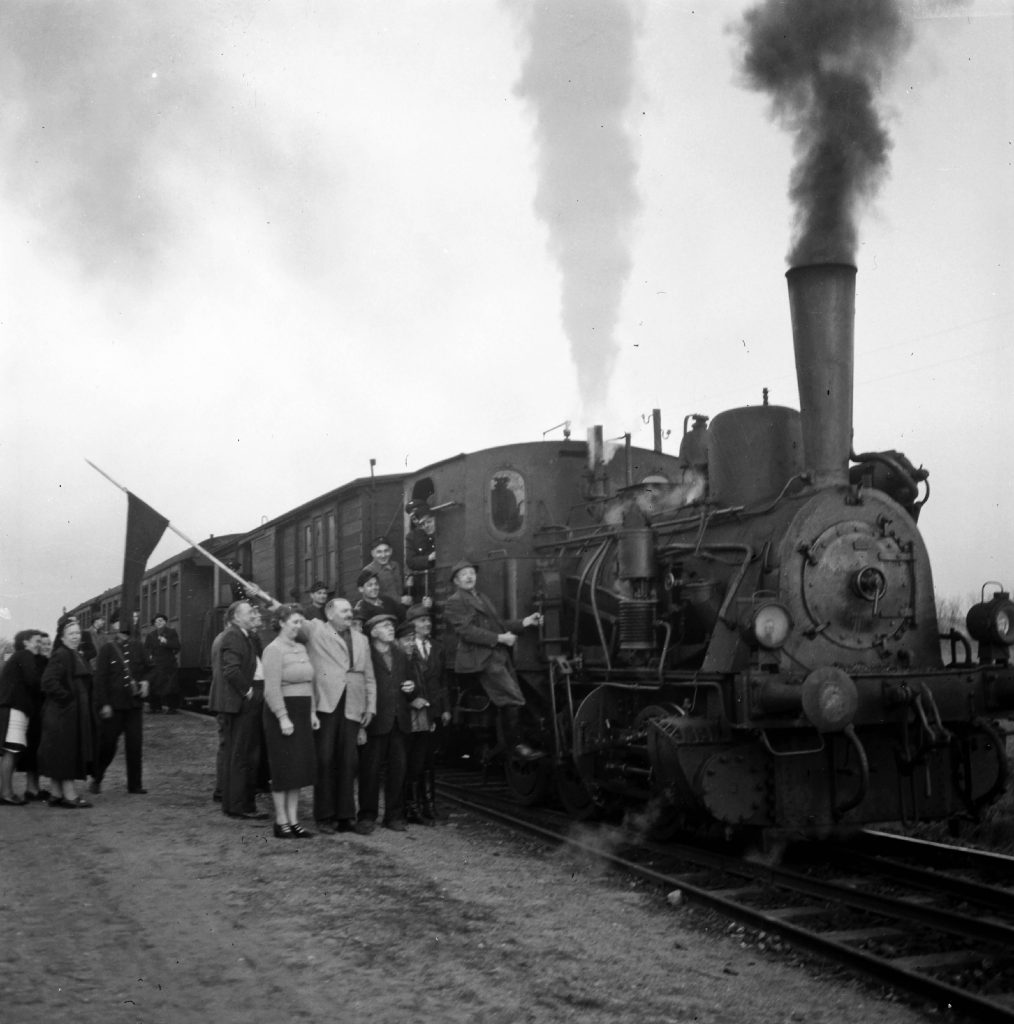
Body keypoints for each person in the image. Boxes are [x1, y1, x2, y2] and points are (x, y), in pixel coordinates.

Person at [443, 559, 544, 762]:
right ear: (456, 581)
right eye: (464, 574)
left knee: (513, 697)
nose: (469, 577)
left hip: (498, 656)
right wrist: (500, 639)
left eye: (471, 573)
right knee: (512, 697)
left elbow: (499, 625)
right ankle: (515, 747)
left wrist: (525, 622)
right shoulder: (455, 601)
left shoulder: (481, 598)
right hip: (481, 658)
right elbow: (466, 631)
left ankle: (516, 744)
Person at [296, 597, 376, 834]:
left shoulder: (361, 639)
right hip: (326, 703)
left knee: (349, 761)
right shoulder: (316, 629)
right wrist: (260, 595)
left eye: (351, 610)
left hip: (353, 703)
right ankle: (324, 816)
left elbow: (369, 675)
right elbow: (289, 617)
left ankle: (345, 816)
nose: (350, 614)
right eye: (344, 611)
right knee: (325, 759)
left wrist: (371, 706)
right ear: (329, 614)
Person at [262, 605, 320, 839]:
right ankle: (281, 821)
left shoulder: (301, 647)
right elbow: (271, 689)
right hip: (283, 714)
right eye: (295, 622)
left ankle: (294, 821)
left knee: (298, 770)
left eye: (301, 622)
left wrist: (313, 713)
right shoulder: (273, 650)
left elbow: (309, 684)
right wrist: (283, 717)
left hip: (302, 712)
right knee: (283, 769)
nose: (299, 626)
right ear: (281, 622)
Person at [359, 613, 416, 832]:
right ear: (373, 632)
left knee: (398, 770)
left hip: (399, 720)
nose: (391, 629)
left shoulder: (400, 654)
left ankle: (394, 816)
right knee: (370, 770)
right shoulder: (366, 655)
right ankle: (366, 816)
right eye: (385, 626)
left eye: (392, 625)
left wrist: (412, 688)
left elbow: (410, 681)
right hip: (375, 719)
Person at [216, 600, 269, 820]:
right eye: (248, 612)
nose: (253, 614)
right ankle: (237, 806)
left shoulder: (247, 636)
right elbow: (231, 670)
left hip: (251, 699)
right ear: (236, 617)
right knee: (242, 754)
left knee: (249, 753)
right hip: (244, 702)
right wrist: (248, 691)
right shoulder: (233, 636)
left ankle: (244, 804)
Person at [38, 615, 95, 808]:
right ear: (62, 637)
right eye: (71, 633)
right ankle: (70, 796)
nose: (76, 636)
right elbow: (48, 681)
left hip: (64, 714)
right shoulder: (62, 654)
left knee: (60, 753)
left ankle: (55, 794)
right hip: (62, 714)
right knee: (67, 752)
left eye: (78, 633)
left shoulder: (71, 653)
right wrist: (68, 699)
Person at [91, 612, 150, 795]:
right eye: (120, 622)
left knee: (135, 744)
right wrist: (105, 704)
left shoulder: (138, 646)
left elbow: (149, 669)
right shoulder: (107, 649)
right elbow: (100, 679)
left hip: (133, 705)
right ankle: (97, 777)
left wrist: (146, 681)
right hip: (113, 705)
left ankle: (135, 784)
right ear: (114, 625)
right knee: (108, 745)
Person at [405, 603, 450, 822]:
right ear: (412, 624)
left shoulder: (437, 647)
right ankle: (413, 807)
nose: (427, 624)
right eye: (422, 620)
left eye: (428, 620)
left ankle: (429, 805)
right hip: (415, 709)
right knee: (416, 759)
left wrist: (446, 709)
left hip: (434, 709)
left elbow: (443, 681)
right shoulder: (407, 647)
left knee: (429, 760)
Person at [0, 629, 44, 805]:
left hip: (14, 708)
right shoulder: (25, 655)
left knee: (13, 751)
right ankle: (6, 793)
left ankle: (7, 792)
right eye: (36, 641)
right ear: (25, 642)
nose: (39, 644)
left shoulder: (18, 657)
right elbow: (33, 680)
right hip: (15, 709)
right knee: (11, 751)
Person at [145, 613, 182, 714]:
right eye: (156, 622)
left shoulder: (171, 633)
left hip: (168, 664)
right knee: (155, 686)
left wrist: (166, 642)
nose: (158, 623)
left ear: (165, 622)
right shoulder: (151, 635)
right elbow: (147, 648)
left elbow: (177, 646)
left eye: (161, 621)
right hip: (155, 664)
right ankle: (156, 707)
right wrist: (149, 656)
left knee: (170, 687)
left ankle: (172, 708)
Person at [363, 536, 411, 608]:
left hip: (399, 609)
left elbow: (399, 590)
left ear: (391, 551)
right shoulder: (368, 570)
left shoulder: (395, 565)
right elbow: (371, 596)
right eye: (379, 552)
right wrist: (400, 600)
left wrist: (407, 585)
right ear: (373, 553)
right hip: (382, 610)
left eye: (386, 551)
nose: (383, 555)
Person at [404, 506, 438, 606]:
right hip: (424, 585)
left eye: (429, 522)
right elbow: (410, 562)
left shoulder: (442, 534)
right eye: (422, 524)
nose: (426, 526)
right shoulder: (414, 537)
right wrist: (428, 558)